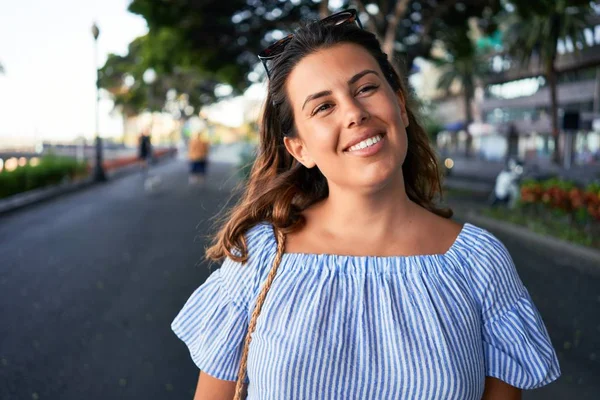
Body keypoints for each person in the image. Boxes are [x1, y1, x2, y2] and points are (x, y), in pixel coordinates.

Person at [172, 9, 560, 400]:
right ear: (299, 148)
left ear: (401, 106)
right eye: (323, 107)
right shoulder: (258, 256)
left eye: (366, 89)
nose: (355, 114)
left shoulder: (479, 263)